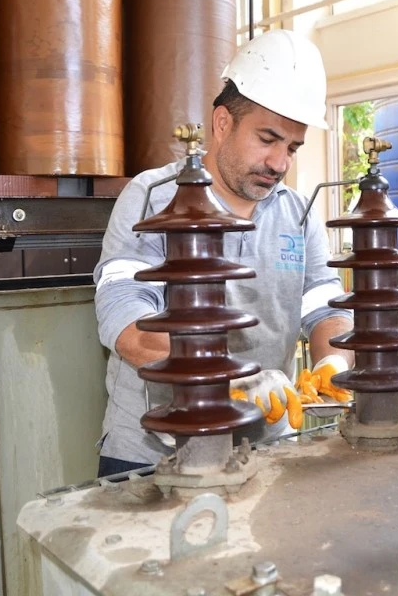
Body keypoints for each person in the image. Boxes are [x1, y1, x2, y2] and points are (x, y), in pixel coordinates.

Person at [93, 30, 353, 477]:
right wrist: (232, 376)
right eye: (267, 139)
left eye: (292, 148)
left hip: (265, 445)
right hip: (154, 453)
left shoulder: (298, 213)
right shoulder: (153, 196)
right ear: (221, 124)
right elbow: (126, 323)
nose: (280, 163)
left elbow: (323, 305)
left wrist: (333, 361)